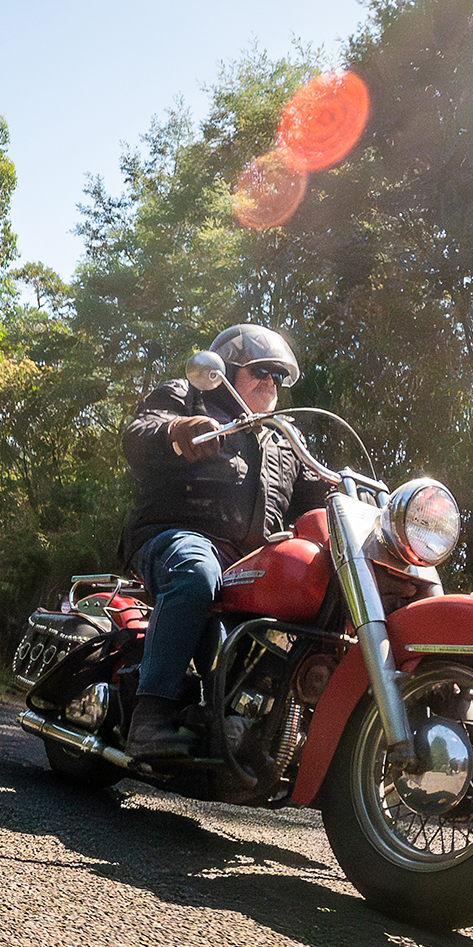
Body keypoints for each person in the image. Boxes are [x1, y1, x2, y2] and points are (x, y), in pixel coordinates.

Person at [119, 323, 330, 759]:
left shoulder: (285, 439)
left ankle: (251, 722)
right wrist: (176, 432)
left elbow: (319, 493)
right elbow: (139, 432)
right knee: (198, 573)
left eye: (276, 375)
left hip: (244, 561)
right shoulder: (190, 396)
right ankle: (150, 715)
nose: (270, 382)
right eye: (260, 371)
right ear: (228, 369)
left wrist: (367, 501)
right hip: (173, 535)